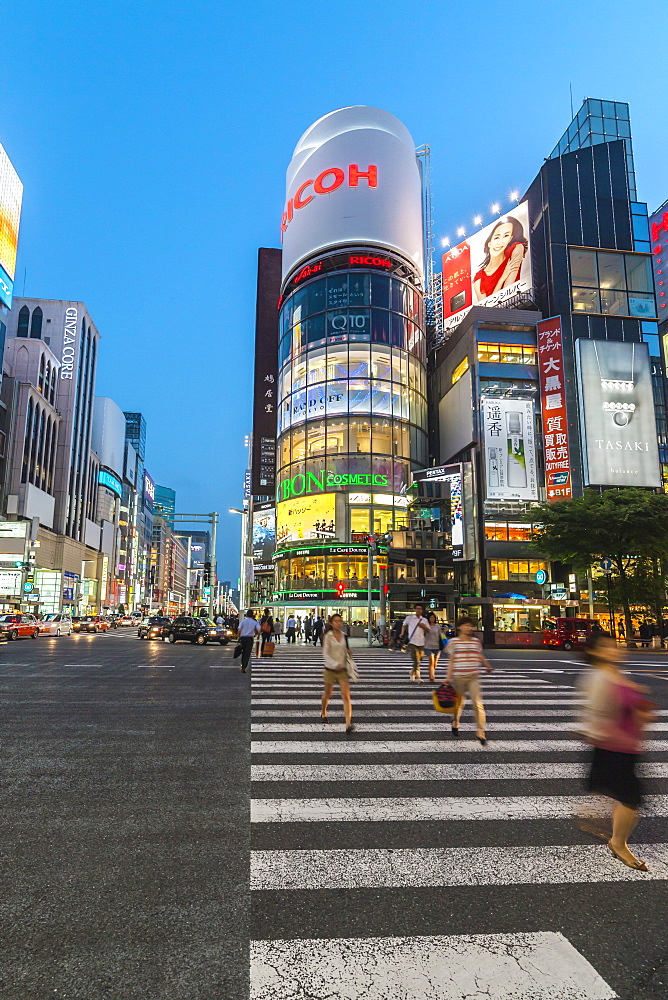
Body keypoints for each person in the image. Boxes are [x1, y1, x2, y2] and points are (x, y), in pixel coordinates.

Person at [578, 631, 655, 870]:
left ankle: (598, 817)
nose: (614, 650)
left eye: (615, 646)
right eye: (606, 647)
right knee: (632, 797)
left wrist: (639, 700)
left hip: (628, 746)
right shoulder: (598, 677)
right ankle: (618, 844)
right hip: (612, 747)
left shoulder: (617, 673)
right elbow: (594, 713)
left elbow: (624, 701)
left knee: (625, 795)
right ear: (594, 651)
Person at [446, 617, 493, 745]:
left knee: (477, 703)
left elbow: (479, 655)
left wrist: (487, 665)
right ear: (460, 627)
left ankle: (480, 731)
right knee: (459, 703)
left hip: (473, 676)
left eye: (470, 626)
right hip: (459, 677)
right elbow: (451, 661)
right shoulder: (453, 642)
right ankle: (455, 721)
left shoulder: (476, 642)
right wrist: (448, 678)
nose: (469, 628)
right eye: (466, 625)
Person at [473, 215, 528, 302]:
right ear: (489, 243)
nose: (500, 242)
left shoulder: (516, 249)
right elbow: (487, 309)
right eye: (496, 237)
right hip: (495, 315)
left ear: (510, 239)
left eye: (506, 236)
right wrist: (502, 278)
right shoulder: (479, 278)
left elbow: (507, 295)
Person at [321, 613, 355, 733]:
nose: (339, 623)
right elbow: (325, 654)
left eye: (340, 621)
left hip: (342, 670)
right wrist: (335, 664)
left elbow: (346, 652)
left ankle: (348, 724)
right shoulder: (328, 636)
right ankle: (323, 712)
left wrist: (348, 653)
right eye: (336, 621)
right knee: (328, 693)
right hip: (330, 669)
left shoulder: (344, 636)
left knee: (346, 696)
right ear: (331, 623)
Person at [401, 603, 430, 682]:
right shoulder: (409, 618)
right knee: (416, 659)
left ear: (422, 610)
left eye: (420, 609)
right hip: (412, 641)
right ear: (414, 610)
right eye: (417, 608)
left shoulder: (424, 620)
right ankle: (418, 676)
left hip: (421, 642)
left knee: (420, 659)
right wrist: (402, 633)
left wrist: (424, 627)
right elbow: (404, 625)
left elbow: (428, 630)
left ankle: (412, 672)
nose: (418, 610)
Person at [423, 611, 444, 683]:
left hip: (437, 646)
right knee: (431, 662)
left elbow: (441, 635)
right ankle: (431, 676)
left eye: (433, 617)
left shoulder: (437, 626)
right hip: (428, 646)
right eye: (431, 617)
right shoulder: (426, 626)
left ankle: (432, 673)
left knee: (435, 663)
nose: (432, 619)